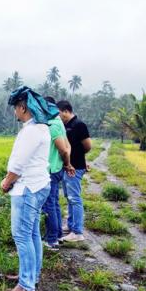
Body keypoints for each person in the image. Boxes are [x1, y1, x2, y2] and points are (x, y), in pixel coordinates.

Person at [1, 86, 52, 291]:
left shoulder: (31, 131)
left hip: (27, 188)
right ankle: (31, 274)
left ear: (23, 107)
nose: (15, 112)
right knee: (31, 233)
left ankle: (27, 283)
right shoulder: (42, 128)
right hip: (39, 185)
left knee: (21, 235)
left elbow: (18, 165)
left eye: (16, 108)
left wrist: (6, 182)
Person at [42, 97, 75, 251]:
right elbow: (68, 146)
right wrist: (66, 164)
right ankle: (59, 234)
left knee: (49, 204)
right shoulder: (59, 122)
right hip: (57, 168)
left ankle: (51, 239)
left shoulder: (53, 124)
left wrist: (67, 163)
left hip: (52, 169)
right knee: (54, 203)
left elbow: (63, 149)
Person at [57, 100, 91, 242]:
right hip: (68, 167)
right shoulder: (66, 125)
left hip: (75, 168)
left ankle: (77, 232)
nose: (58, 117)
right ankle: (71, 226)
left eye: (59, 113)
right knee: (69, 198)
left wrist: (79, 158)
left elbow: (88, 146)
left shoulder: (79, 125)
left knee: (74, 198)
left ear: (66, 111)